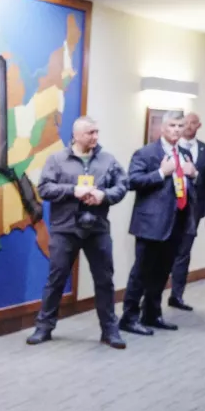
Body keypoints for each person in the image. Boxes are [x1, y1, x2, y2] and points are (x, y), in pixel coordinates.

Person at [26, 117, 128, 348]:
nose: (95, 136)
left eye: (96, 132)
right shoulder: (57, 160)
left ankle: (110, 330)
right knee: (56, 280)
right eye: (90, 132)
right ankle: (44, 327)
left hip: (97, 229)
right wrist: (74, 190)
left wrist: (105, 195)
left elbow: (123, 185)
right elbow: (44, 189)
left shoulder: (107, 160)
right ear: (77, 135)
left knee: (104, 280)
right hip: (65, 229)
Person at [120, 111, 198, 336]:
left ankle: (152, 314)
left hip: (177, 222)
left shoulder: (183, 154)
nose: (176, 129)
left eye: (180, 126)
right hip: (151, 224)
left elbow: (188, 183)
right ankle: (129, 317)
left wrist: (194, 175)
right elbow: (132, 182)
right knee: (142, 272)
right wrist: (161, 173)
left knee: (162, 272)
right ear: (162, 128)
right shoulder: (146, 153)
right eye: (172, 125)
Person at [168, 112, 205, 311]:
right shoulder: (171, 148)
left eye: (193, 123)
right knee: (163, 252)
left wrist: (196, 175)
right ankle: (150, 298)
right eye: (185, 123)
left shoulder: (204, 150)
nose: (188, 126)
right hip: (170, 209)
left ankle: (177, 295)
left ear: (198, 126)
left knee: (184, 252)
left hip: (193, 211)